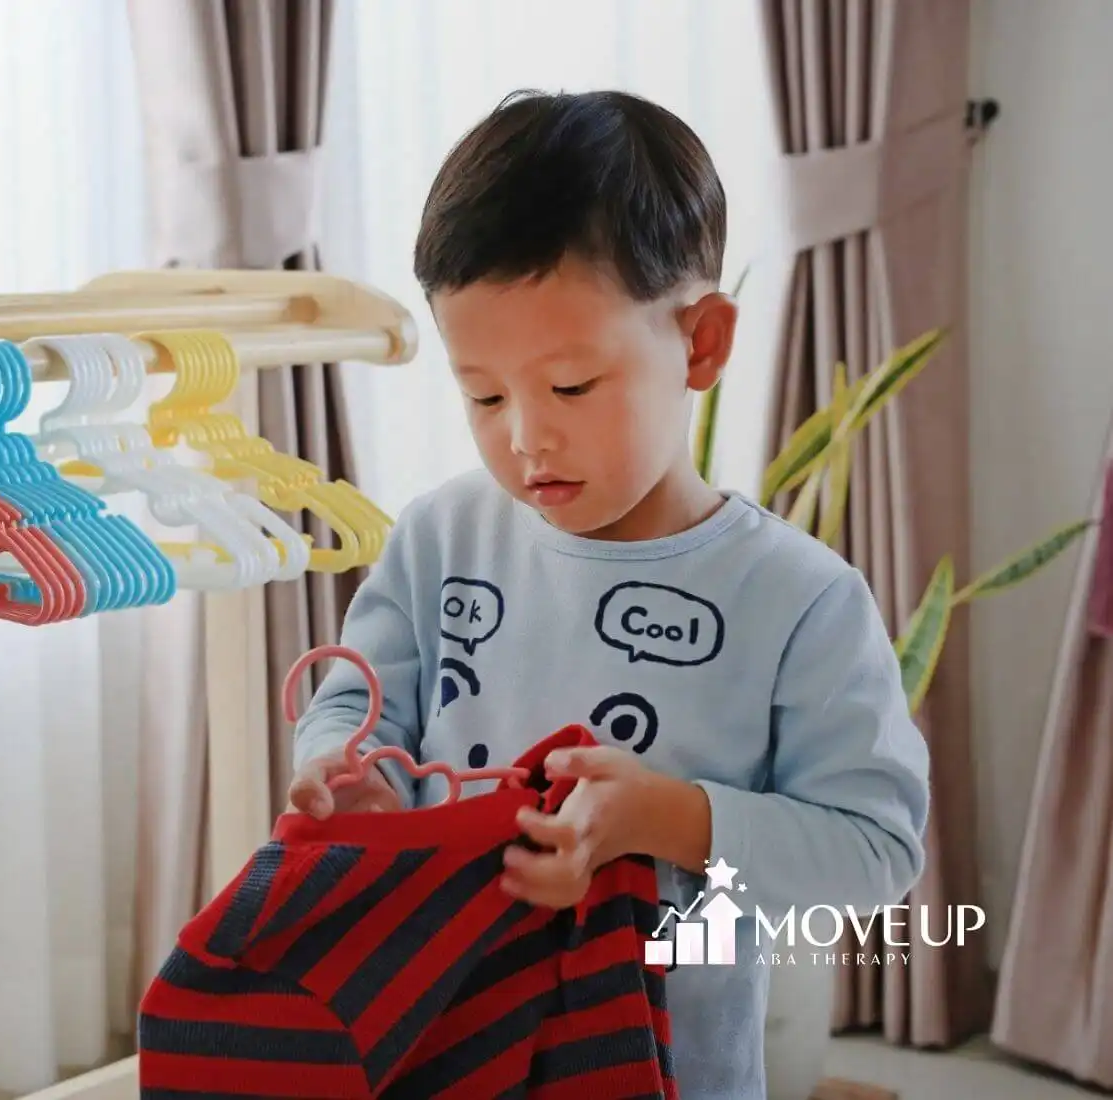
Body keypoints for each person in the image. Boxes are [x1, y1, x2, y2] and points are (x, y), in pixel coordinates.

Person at [287, 89, 930, 1100]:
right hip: (439, 1038)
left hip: (670, 1069)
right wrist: (344, 767)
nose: (525, 437)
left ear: (702, 344)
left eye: (572, 386)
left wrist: (663, 818)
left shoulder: (799, 599)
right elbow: (356, 696)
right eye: (484, 394)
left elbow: (875, 850)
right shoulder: (439, 536)